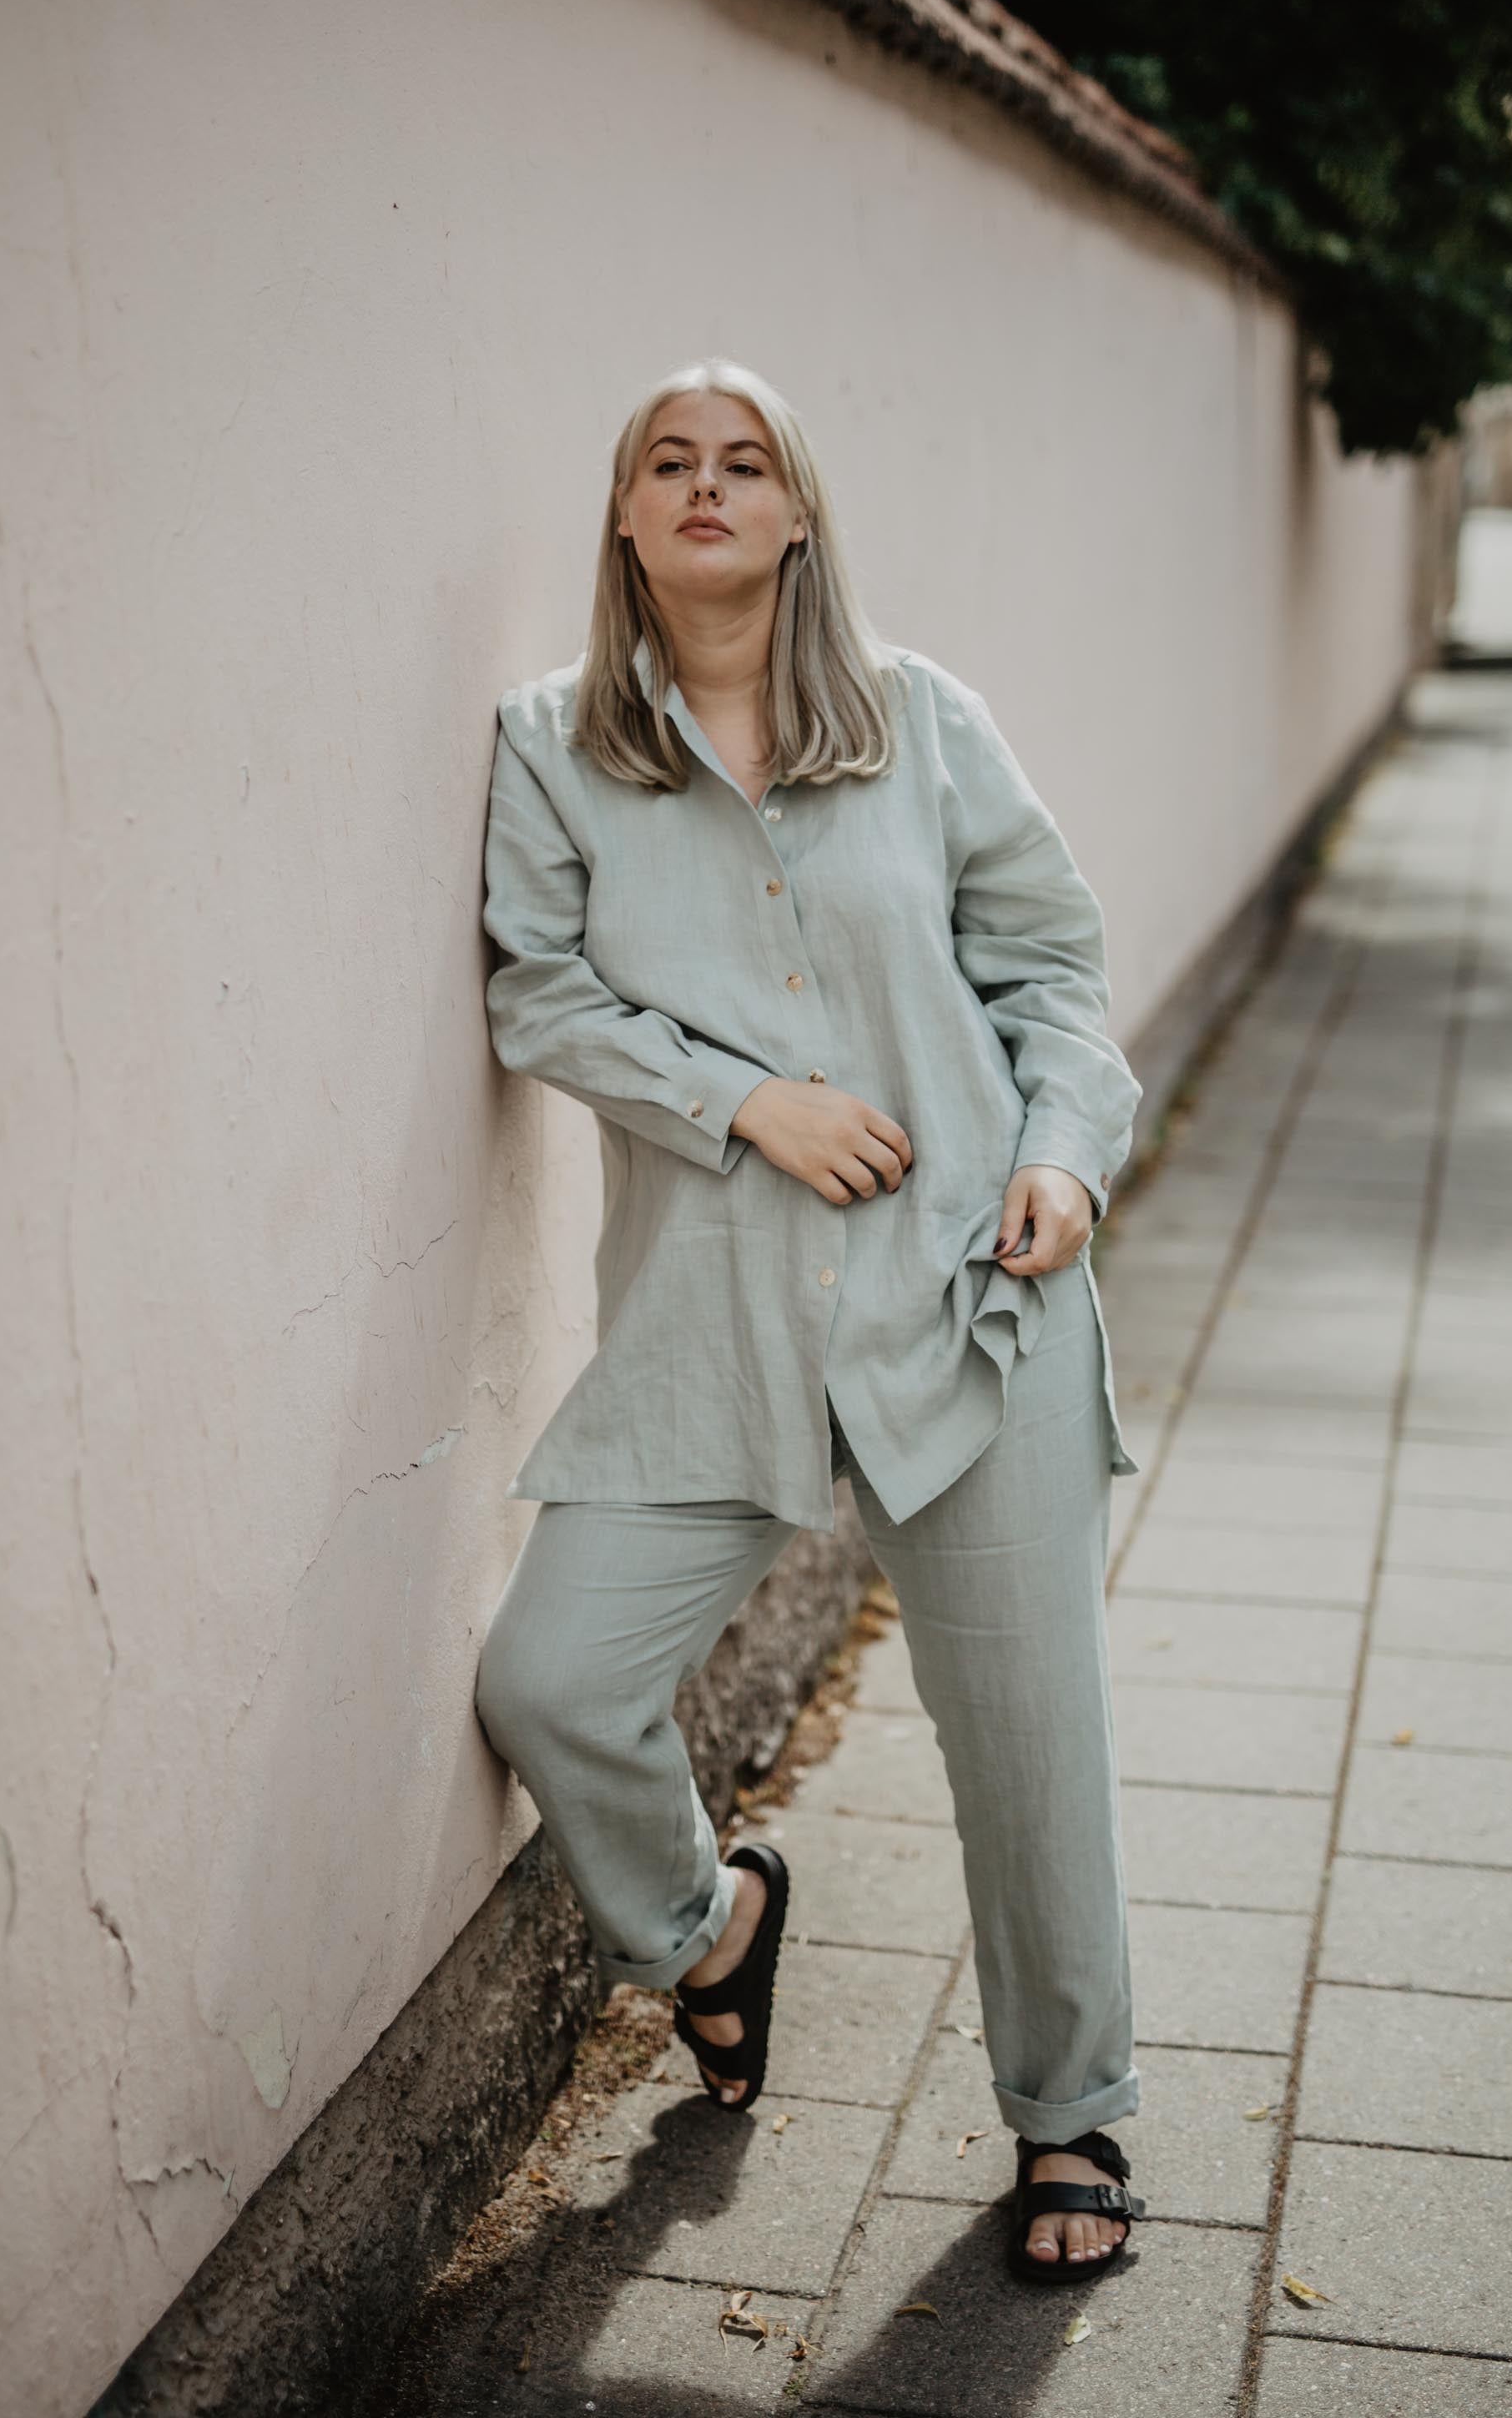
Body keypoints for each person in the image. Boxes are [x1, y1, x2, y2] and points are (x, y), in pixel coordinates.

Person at [474, 357, 1147, 2283]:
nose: (706, 484)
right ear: (626, 516)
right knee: (551, 1682)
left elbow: (1053, 974)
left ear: (794, 515)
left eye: (743, 461)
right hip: (717, 1326)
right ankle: (708, 1931)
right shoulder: (553, 748)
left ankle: (1070, 2112)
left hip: (971, 1302)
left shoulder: (920, 722)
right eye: (667, 461)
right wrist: (741, 1098)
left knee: (1026, 1750)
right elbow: (536, 992)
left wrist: (1063, 1158)